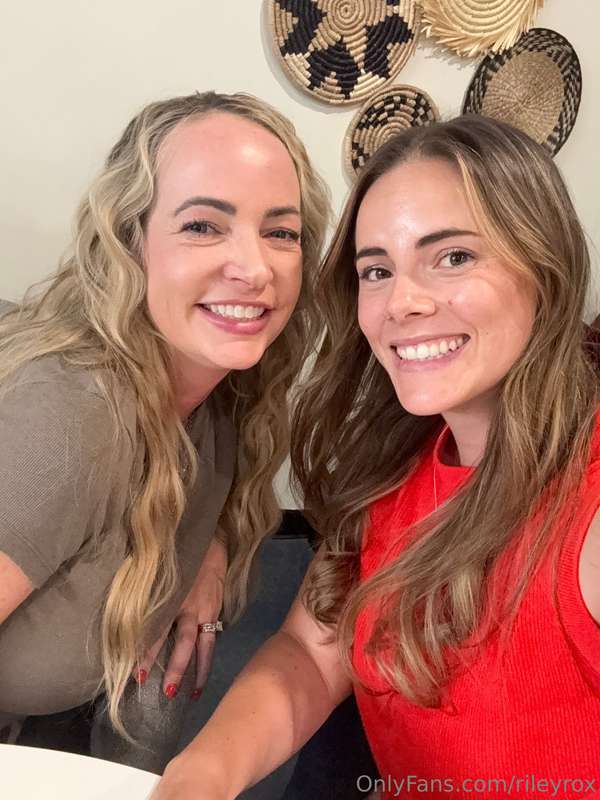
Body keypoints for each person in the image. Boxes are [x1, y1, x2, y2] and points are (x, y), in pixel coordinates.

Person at [152, 115, 600, 799]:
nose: (402, 303)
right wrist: (202, 774)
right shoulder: (396, 466)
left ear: (546, 265)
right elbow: (311, 652)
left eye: (453, 257)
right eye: (377, 270)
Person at [0, 90, 330, 772]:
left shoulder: (226, 384)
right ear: (131, 241)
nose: (256, 268)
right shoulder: (69, 423)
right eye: (203, 226)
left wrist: (203, 552)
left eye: (281, 232)